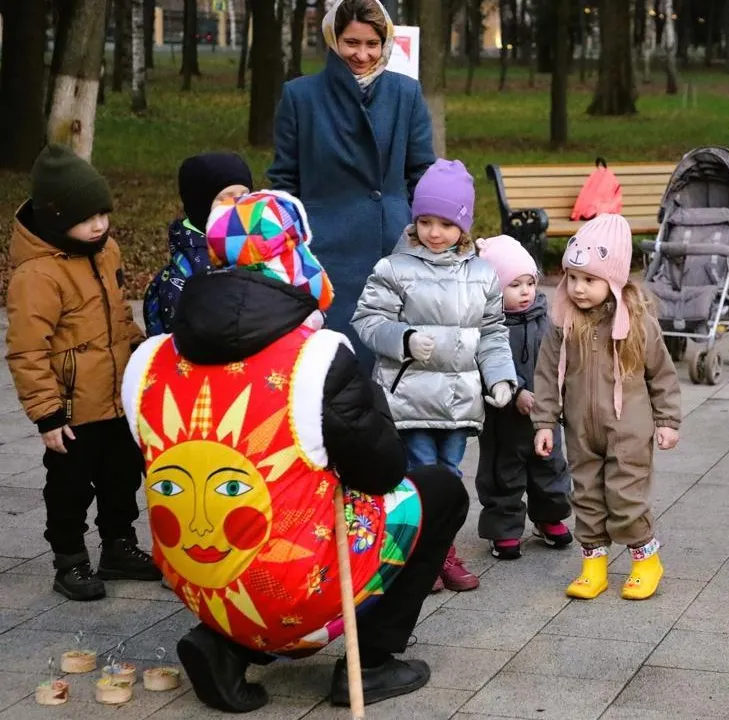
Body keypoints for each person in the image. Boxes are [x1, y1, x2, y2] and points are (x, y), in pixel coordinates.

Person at [122, 190, 468, 711]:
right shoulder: (317, 358)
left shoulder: (147, 361)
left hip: (204, 583)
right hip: (293, 593)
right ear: (295, 258)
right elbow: (382, 472)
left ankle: (224, 643)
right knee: (440, 490)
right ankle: (372, 660)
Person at [352, 159, 517, 592]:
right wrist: (403, 338)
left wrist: (500, 377)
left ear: (463, 225)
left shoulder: (482, 275)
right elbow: (367, 319)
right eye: (424, 221)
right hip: (409, 395)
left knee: (449, 476)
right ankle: (428, 555)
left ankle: (437, 549)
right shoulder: (393, 268)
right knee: (422, 472)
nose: (434, 232)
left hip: (459, 399)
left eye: (445, 223)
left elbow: (494, 331)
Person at [5, 144, 159, 602]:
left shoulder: (105, 251)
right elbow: (27, 350)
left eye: (102, 214)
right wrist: (47, 414)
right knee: (69, 487)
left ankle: (118, 545)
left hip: (116, 400)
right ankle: (69, 559)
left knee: (122, 477)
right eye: (86, 217)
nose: (99, 225)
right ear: (55, 218)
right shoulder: (36, 276)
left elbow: (120, 317)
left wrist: (141, 356)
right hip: (71, 410)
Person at [268, 0, 435, 369]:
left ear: (385, 43)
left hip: (393, 245)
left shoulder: (405, 93)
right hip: (325, 251)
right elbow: (284, 179)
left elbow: (422, 171)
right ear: (333, 39)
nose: (362, 54)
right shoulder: (301, 95)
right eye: (351, 43)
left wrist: (424, 230)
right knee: (334, 363)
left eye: (372, 44)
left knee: (392, 364)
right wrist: (290, 244)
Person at [532, 214, 682, 601]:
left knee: (625, 496)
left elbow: (661, 374)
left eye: (590, 280)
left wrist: (667, 419)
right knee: (585, 495)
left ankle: (645, 561)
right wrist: (545, 422)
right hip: (580, 429)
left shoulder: (638, 323)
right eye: (573, 278)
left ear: (614, 280)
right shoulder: (562, 322)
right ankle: (593, 565)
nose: (578, 289)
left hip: (629, 429)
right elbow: (548, 375)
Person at [474, 234, 573, 560]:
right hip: (505, 417)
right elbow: (484, 364)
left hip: (545, 412)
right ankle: (503, 528)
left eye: (529, 283)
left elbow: (561, 358)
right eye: (514, 285)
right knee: (504, 471)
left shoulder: (547, 318)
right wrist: (513, 390)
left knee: (550, 465)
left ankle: (549, 516)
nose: (526, 291)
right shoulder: (489, 325)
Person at [144, 153, 253, 336]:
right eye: (226, 198)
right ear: (200, 204)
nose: (237, 204)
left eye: (245, 195)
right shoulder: (188, 268)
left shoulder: (256, 244)